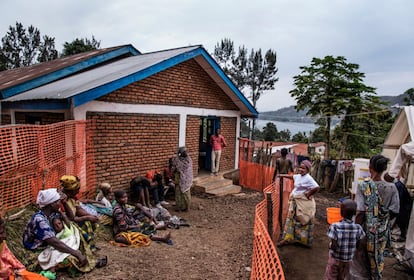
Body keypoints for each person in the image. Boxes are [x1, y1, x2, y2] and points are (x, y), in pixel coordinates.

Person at [22, 188, 97, 274]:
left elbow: (71, 218)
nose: (59, 203)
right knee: (70, 258)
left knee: (75, 238)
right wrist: (76, 253)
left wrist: (65, 203)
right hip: (38, 249)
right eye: (58, 202)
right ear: (51, 204)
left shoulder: (53, 213)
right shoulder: (39, 219)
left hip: (50, 243)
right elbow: (54, 242)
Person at [350, 155, 400, 279]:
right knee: (377, 259)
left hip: (365, 230)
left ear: (370, 167)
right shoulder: (392, 187)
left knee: (360, 261)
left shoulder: (364, 185)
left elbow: (360, 211)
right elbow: (395, 210)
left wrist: (356, 232)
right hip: (381, 233)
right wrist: (383, 223)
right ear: (384, 169)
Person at [277, 159, 320, 247]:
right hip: (295, 202)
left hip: (303, 203)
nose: (301, 169)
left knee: (303, 220)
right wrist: (281, 175)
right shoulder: (298, 176)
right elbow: (292, 177)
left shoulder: (308, 178)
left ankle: (304, 241)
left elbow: (316, 187)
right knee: (290, 220)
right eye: (300, 167)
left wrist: (308, 194)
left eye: (303, 168)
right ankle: (286, 239)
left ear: (307, 170)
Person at [324, 199, 365, 280]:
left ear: (341, 212)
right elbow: (358, 245)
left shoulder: (335, 226)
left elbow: (334, 246)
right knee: (342, 277)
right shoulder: (358, 228)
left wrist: (330, 247)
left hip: (335, 259)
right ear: (354, 213)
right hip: (348, 260)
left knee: (331, 276)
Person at [59, 175, 100, 251]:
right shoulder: (60, 201)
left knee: (90, 222)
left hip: (74, 219)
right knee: (86, 223)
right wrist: (86, 217)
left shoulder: (73, 197)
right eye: (77, 189)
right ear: (71, 190)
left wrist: (90, 215)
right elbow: (69, 219)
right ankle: (82, 247)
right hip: (65, 224)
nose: (78, 192)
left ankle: (89, 245)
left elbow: (78, 209)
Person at [172, 146, 193, 212]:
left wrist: (178, 170)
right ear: (181, 153)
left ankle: (187, 207)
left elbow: (187, 169)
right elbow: (174, 168)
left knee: (186, 194)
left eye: (186, 151)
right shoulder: (177, 160)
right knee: (178, 194)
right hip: (178, 179)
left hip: (186, 180)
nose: (186, 153)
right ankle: (179, 207)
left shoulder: (189, 159)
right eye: (184, 152)